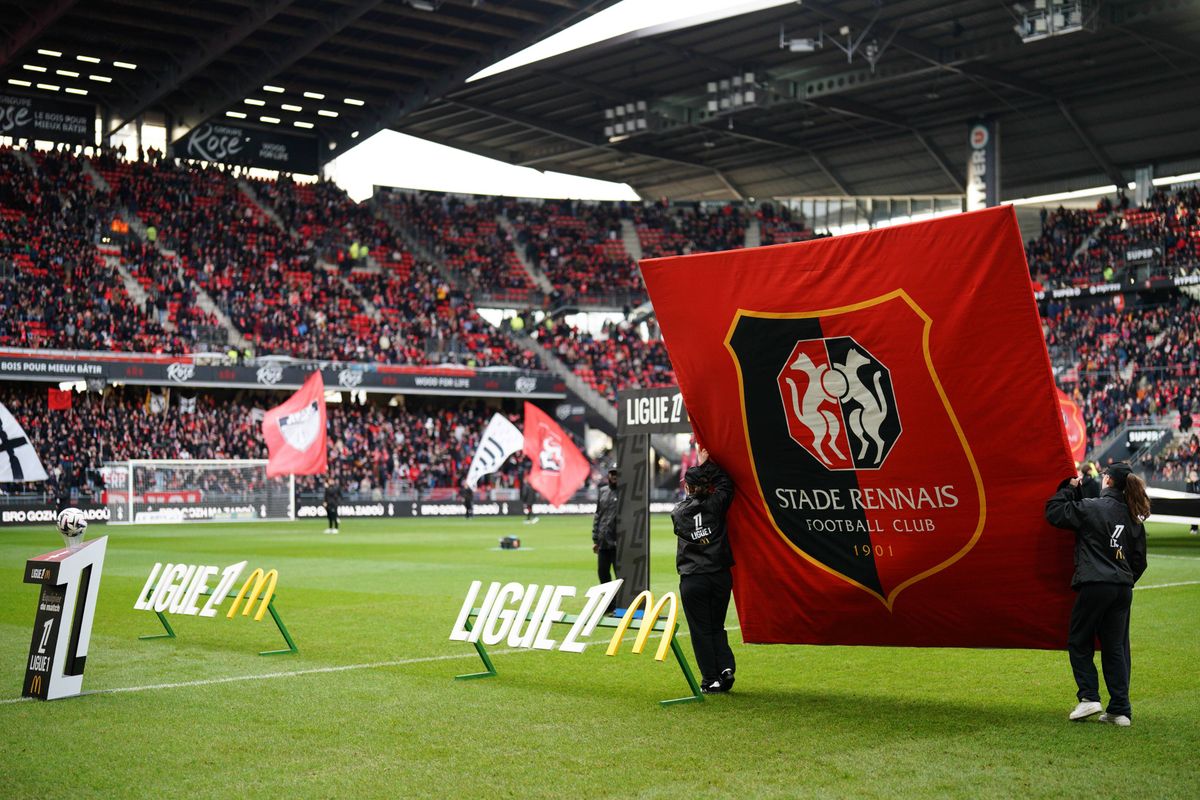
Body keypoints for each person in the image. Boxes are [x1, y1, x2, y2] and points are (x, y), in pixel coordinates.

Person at [1045, 461, 1148, 726]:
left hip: (1095, 584)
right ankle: (1120, 710)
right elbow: (1139, 561)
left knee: (1079, 640)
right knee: (1115, 648)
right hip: (1122, 589)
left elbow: (1054, 512)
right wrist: (1123, 580)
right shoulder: (1133, 516)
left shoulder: (1093, 507)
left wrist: (1069, 488)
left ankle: (1089, 696)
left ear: (1109, 481)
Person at [671, 449, 736, 694]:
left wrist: (700, 472)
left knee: (701, 631)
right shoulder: (717, 504)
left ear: (687, 487)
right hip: (720, 575)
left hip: (693, 578)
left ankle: (710, 679)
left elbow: (686, 519)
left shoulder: (678, 512)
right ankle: (726, 668)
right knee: (717, 625)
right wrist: (706, 465)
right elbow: (726, 484)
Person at [592, 464, 620, 586]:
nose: (614, 476)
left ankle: (622, 597)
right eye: (612, 473)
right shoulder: (603, 491)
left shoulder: (625, 493)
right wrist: (595, 539)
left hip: (618, 543)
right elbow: (598, 515)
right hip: (603, 542)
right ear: (608, 475)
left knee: (620, 575)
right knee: (602, 573)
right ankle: (609, 598)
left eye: (617, 474)